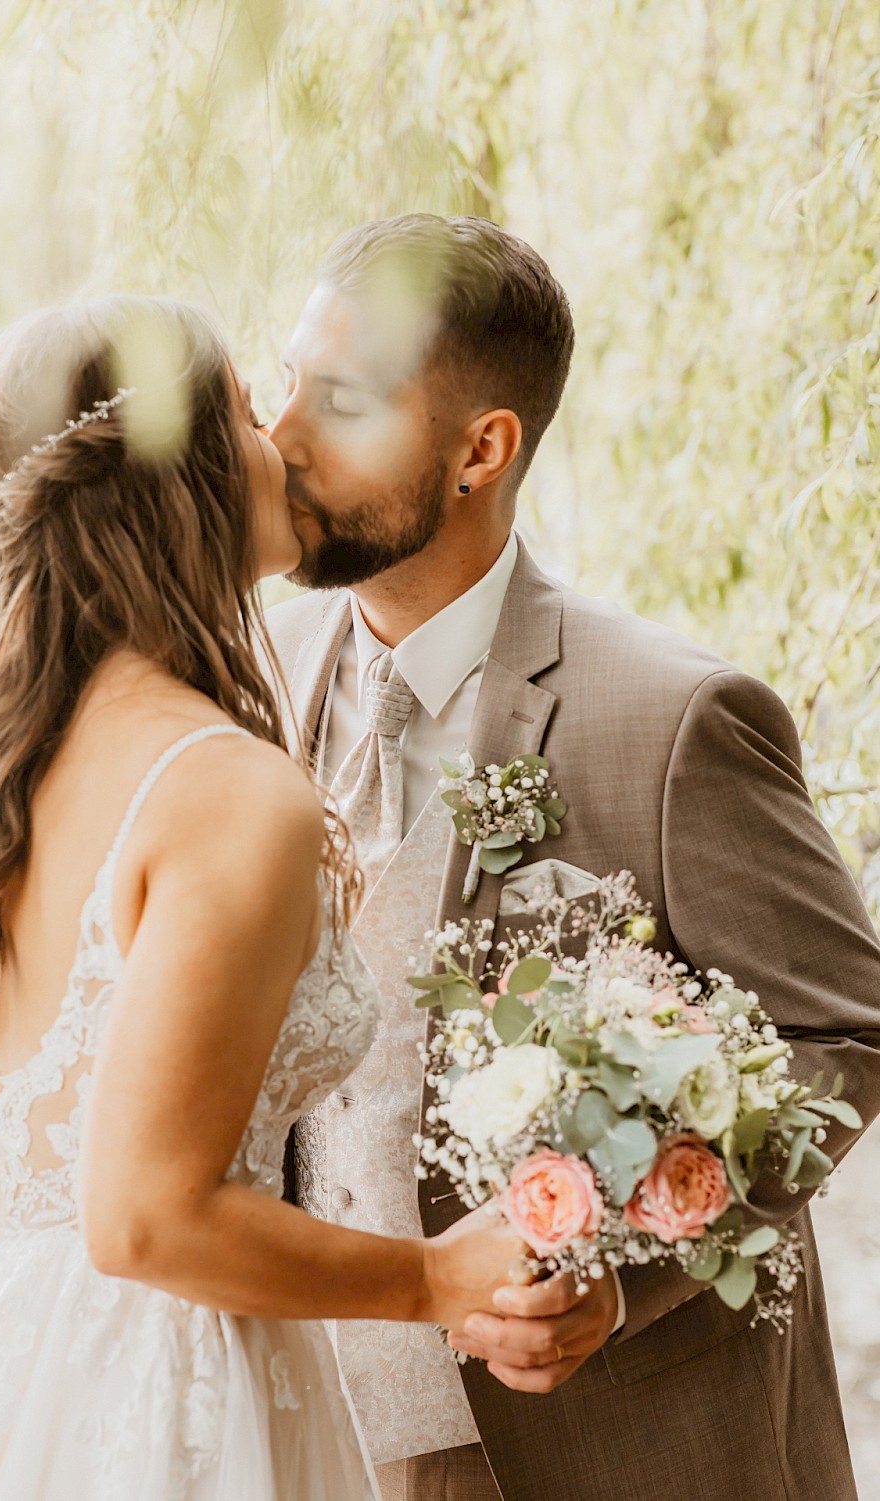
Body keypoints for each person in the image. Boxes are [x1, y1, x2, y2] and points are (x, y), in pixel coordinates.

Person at [264, 212, 880, 1501]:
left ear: (481, 449)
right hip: (319, 1443)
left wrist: (624, 1262)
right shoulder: (249, 694)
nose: (282, 440)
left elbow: (841, 1029)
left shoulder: (671, 718)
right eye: (286, 385)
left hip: (612, 1449)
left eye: (341, 403)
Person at [0, 294, 525, 1501]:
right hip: (181, 1395)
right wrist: (433, 1276)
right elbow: (143, 1220)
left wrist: (48, 1287)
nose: (277, 436)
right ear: (178, 478)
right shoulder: (229, 792)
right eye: (240, 407)